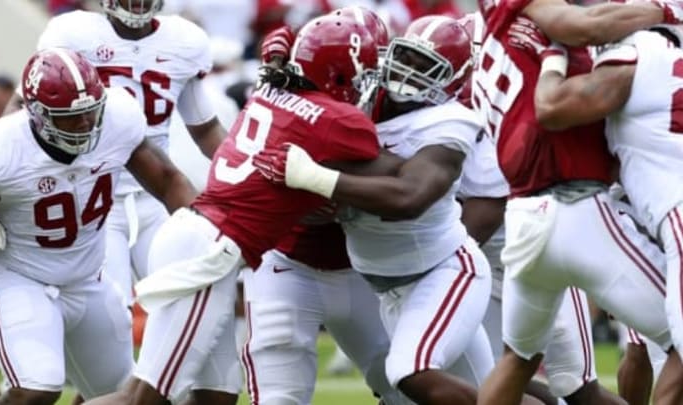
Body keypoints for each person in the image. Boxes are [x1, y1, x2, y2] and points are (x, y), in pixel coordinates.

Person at [85, 13, 387, 405]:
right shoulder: (336, 120)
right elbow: (394, 171)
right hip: (208, 248)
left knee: (217, 396)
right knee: (142, 399)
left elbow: (282, 48)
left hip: (200, 237)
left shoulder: (267, 91)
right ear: (339, 74)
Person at [255, 15, 497, 405]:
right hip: (386, 284)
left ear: (452, 81)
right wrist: (285, 76)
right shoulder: (362, 98)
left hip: (441, 271)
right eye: (406, 58)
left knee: (409, 374)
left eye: (424, 68)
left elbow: (408, 197)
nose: (407, 72)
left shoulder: (450, 122)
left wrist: (316, 179)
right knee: (489, 391)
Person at [470, 0, 683, 403]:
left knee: (518, 358)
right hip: (578, 209)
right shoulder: (554, 28)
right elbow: (582, 28)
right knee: (678, 341)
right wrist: (664, 9)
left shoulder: (507, 36)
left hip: (523, 216)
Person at [0, 48, 197, 405]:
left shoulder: (118, 117)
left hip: (88, 278)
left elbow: (168, 181)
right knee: (37, 390)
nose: (87, 124)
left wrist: (208, 231)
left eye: (91, 111)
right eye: (71, 117)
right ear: (37, 114)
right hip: (21, 277)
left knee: (125, 396)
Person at [35, 0, 227, 308]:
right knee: (111, 311)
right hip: (95, 197)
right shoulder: (73, 33)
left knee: (187, 300)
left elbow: (205, 129)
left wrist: (250, 171)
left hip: (157, 194)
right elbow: (25, 110)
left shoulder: (184, 41)